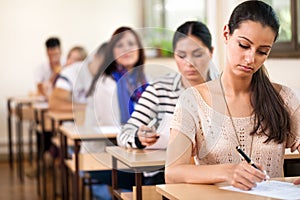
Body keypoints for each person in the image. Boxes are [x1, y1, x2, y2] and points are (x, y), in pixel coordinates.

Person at [165, 0, 300, 191]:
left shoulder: (284, 98)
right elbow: (172, 173)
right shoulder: (193, 100)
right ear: (226, 34)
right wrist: (227, 172)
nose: (251, 59)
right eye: (244, 45)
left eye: (262, 52)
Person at [117, 21, 219, 185]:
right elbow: (124, 133)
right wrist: (139, 138)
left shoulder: (225, 89)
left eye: (198, 54)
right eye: (181, 55)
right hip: (164, 174)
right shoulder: (159, 89)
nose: (189, 62)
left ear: (211, 52)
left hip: (213, 174)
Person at [80, 26, 148, 200]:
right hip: (102, 158)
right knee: (156, 177)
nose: (127, 49)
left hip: (131, 152)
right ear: (112, 52)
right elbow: (112, 129)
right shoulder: (106, 84)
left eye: (132, 44)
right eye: (120, 45)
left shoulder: (140, 81)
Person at [48, 44, 105, 112]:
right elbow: (55, 103)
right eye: (70, 58)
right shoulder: (68, 74)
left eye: (77, 60)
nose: (72, 62)